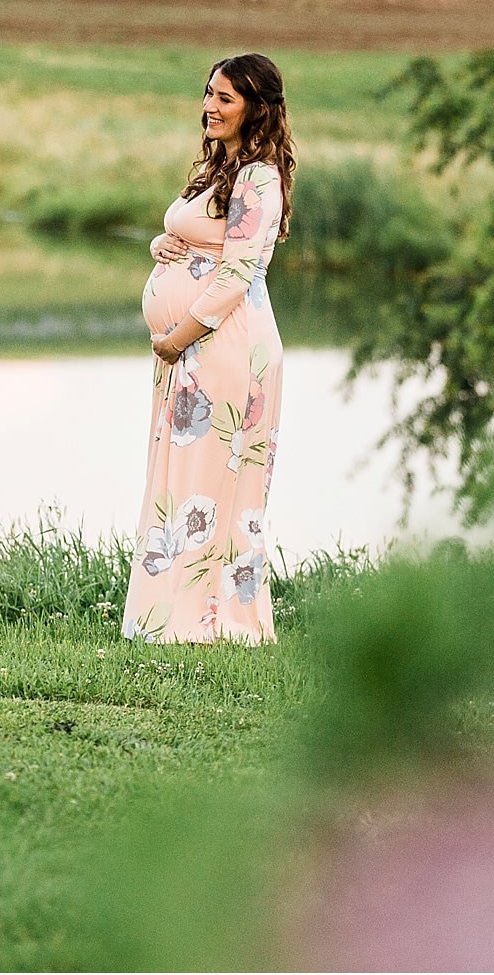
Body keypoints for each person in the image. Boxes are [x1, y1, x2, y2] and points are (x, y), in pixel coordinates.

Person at [121, 53, 294, 645]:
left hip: (227, 347)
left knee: (214, 483)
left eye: (225, 98)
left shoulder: (258, 178)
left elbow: (241, 269)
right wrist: (161, 243)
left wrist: (177, 338)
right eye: (208, 95)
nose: (210, 108)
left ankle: (213, 623)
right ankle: (169, 617)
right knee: (179, 481)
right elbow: (196, 234)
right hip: (191, 352)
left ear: (256, 108)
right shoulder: (218, 168)